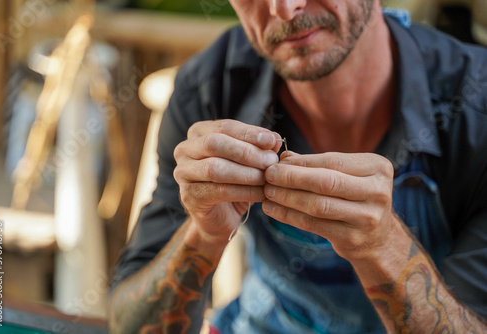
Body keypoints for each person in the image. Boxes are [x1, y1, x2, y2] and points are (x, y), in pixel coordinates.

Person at [108, 0, 487, 333]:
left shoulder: (476, 107)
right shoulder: (210, 87)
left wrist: (384, 246)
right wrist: (203, 234)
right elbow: (130, 325)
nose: (284, 9)